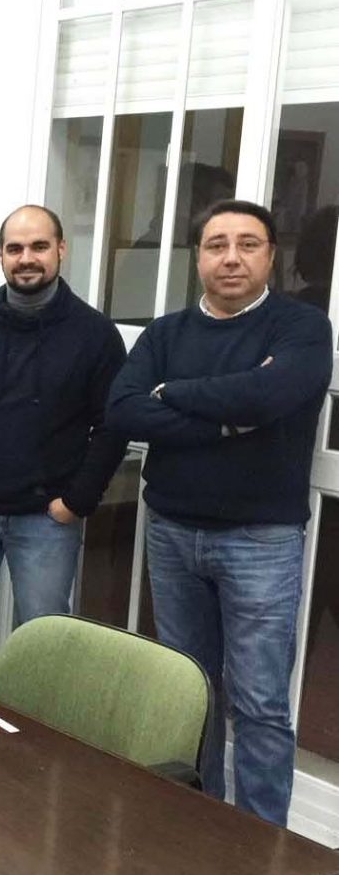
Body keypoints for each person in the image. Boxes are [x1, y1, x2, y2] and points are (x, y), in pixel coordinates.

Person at [106, 199, 332, 827]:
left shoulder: (302, 329)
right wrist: (232, 419)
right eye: (216, 245)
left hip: (261, 539)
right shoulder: (166, 333)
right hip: (173, 531)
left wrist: (174, 396)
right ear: (197, 256)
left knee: (258, 702)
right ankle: (197, 823)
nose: (231, 257)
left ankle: (260, 842)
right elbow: (124, 409)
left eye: (248, 244)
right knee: (188, 692)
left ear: (271, 255)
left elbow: (274, 393)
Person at [0, 205, 127, 679]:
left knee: (43, 634)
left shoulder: (95, 334)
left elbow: (112, 427)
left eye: (38, 246)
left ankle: (32, 749)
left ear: (61, 250)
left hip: (46, 517)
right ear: (1, 256)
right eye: (15, 248)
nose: (26, 258)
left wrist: (78, 500)